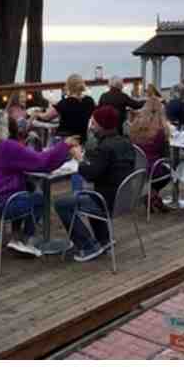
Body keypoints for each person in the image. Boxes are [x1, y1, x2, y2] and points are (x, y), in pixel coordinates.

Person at [0, 109, 78, 256]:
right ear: (6, 127)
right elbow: (42, 162)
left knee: (25, 189)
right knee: (39, 199)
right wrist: (64, 145)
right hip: (5, 205)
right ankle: (23, 239)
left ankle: (8, 235)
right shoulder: (7, 146)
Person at [54, 105, 136, 262]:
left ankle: (88, 246)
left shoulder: (105, 148)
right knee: (92, 194)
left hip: (106, 202)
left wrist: (79, 157)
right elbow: (106, 169)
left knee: (61, 204)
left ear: (103, 125)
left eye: (94, 123)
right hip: (124, 199)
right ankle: (103, 239)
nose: (91, 126)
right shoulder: (126, 142)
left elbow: (89, 175)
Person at [130, 98, 171, 212]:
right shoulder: (160, 131)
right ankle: (153, 196)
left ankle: (152, 197)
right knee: (169, 172)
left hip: (136, 167)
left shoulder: (135, 127)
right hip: (153, 169)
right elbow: (165, 156)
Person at [35, 74, 95, 144]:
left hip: (65, 140)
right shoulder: (89, 101)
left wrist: (36, 114)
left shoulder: (65, 103)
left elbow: (47, 117)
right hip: (82, 140)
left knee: (50, 138)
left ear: (69, 86)